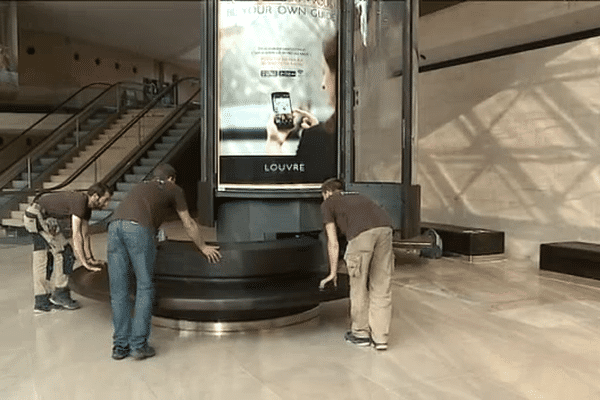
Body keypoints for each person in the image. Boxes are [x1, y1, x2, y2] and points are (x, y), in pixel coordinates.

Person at [107, 163, 221, 361]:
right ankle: (139, 345)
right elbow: (188, 222)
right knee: (145, 287)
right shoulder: (173, 189)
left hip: (114, 228)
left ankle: (120, 346)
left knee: (119, 290)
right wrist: (203, 247)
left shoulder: (141, 186)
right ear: (172, 178)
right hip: (138, 230)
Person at [319, 178, 394, 351]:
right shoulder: (360, 196)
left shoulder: (328, 203)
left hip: (361, 236)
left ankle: (360, 333)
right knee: (381, 285)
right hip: (386, 229)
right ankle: (381, 338)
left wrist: (332, 273)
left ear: (327, 192)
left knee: (358, 286)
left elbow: (333, 243)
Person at [24, 183, 112, 313]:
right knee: (63, 254)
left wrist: (90, 259)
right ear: (95, 196)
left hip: (43, 218)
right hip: (37, 216)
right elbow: (76, 235)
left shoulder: (86, 207)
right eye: (105, 200)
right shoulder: (80, 202)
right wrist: (85, 264)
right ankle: (56, 296)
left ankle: (44, 300)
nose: (106, 205)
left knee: (55, 254)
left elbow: (85, 234)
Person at [265, 35, 337, 177]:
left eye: (325, 73)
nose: (323, 84)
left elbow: (290, 185)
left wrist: (274, 143)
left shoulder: (317, 137)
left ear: (339, 77)